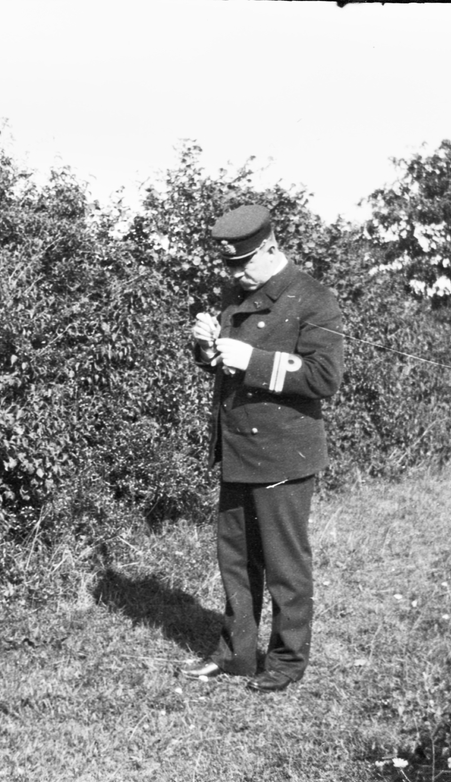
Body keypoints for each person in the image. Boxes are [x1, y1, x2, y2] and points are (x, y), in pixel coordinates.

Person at [179, 204, 344, 693]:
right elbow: (225, 362)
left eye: (241, 263)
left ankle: (287, 662)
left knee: (284, 565)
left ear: (269, 249)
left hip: (283, 454)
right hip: (236, 449)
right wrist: (206, 347)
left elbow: (325, 378)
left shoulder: (314, 298)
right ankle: (235, 653)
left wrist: (253, 359)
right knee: (236, 561)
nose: (233, 275)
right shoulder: (237, 291)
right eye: (228, 265)